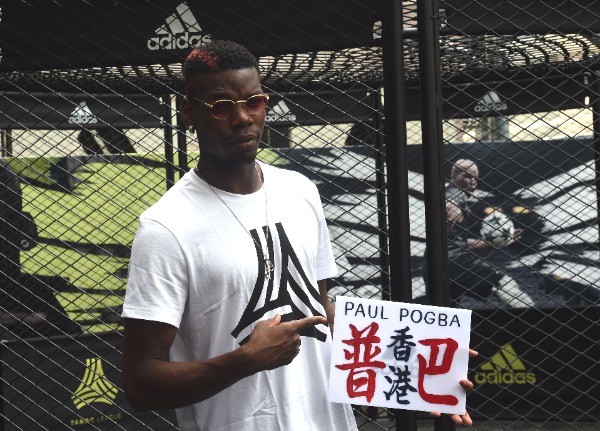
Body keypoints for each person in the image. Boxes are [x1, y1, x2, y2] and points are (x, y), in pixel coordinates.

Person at [121, 40, 475, 431]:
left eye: (253, 101)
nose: (242, 118)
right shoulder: (166, 227)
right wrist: (246, 360)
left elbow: (319, 310)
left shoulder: (298, 189)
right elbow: (141, 385)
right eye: (221, 106)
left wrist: (425, 362)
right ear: (189, 112)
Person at [443, 159, 533, 307]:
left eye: (476, 178)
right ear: (454, 176)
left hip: (440, 264)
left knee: (446, 312)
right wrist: (450, 205)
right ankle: (533, 320)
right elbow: (449, 199)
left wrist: (496, 241)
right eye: (468, 176)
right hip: (455, 262)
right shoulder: (454, 194)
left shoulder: (460, 200)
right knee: (504, 283)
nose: (473, 182)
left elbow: (457, 243)